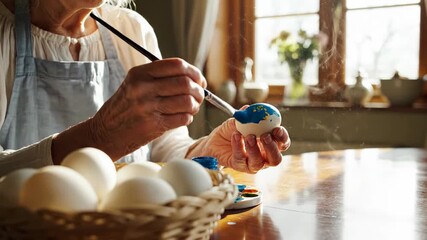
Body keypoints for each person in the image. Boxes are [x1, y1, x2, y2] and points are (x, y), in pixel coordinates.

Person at [0, 0, 291, 177]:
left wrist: (207, 152)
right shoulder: (4, 31)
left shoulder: (131, 29)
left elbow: (163, 151)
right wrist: (99, 137)